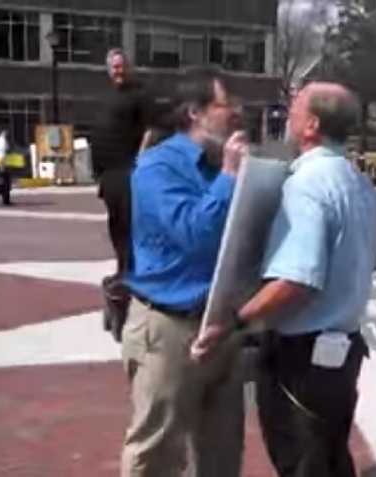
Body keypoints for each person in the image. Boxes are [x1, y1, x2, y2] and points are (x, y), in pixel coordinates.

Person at [192, 82, 376, 477]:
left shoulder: (307, 186)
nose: (288, 113)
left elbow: (297, 280)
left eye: (294, 107)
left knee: (303, 462)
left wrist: (234, 321)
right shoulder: (359, 182)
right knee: (330, 457)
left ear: (311, 124)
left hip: (302, 359)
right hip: (342, 354)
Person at [120, 66, 248, 477]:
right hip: (168, 327)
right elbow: (195, 233)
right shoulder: (158, 168)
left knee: (222, 450)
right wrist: (229, 176)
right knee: (156, 450)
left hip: (220, 326)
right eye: (226, 105)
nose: (236, 114)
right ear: (196, 112)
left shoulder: (225, 165)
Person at [92, 49, 155, 342]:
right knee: (116, 227)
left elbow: (152, 128)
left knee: (131, 228)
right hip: (109, 176)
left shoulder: (139, 94)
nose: (118, 71)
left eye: (121, 66)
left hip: (128, 171)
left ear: (128, 67)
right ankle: (122, 273)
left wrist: (140, 161)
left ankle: (133, 279)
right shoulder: (107, 96)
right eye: (113, 67)